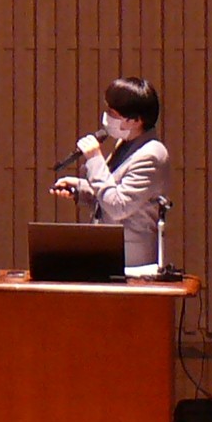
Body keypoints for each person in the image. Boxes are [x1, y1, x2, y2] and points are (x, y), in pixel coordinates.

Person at [50, 76, 171, 275]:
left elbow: (118, 206)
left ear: (135, 120)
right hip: (109, 255)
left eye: (113, 113)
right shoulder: (125, 144)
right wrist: (80, 189)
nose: (107, 117)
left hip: (132, 263)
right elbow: (112, 190)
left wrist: (95, 159)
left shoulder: (151, 155)